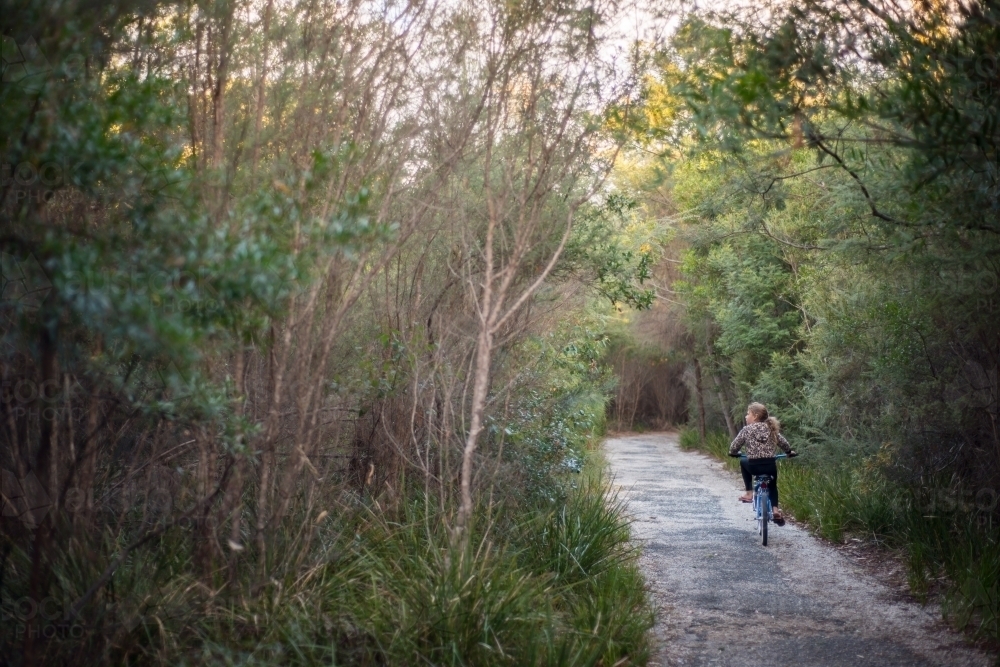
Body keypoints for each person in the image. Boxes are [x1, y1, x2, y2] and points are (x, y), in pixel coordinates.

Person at [728, 402, 796, 526]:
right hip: (770, 466)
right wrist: (788, 452)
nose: (746, 416)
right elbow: (784, 443)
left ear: (755, 416)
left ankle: (749, 493)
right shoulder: (771, 429)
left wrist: (733, 452)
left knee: (743, 461)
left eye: (748, 414)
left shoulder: (747, 430)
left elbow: (734, 446)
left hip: (753, 466)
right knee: (773, 486)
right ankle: (775, 510)